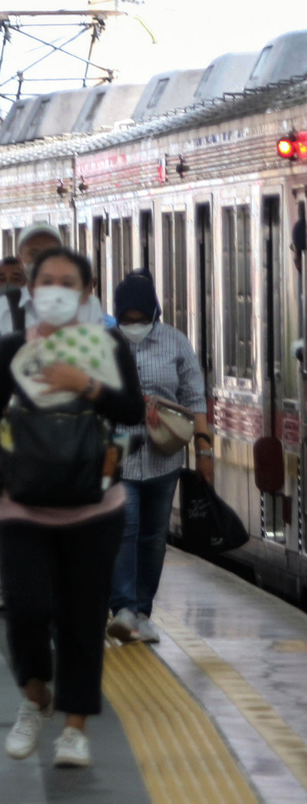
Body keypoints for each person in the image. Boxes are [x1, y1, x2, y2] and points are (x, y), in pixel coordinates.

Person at [0, 247, 144, 767]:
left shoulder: (106, 345)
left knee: (82, 618)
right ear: (31, 291)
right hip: (21, 506)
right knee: (27, 609)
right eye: (47, 281)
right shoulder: (11, 350)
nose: (56, 290)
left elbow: (132, 410)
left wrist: (83, 383)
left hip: (93, 507)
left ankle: (75, 730)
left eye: (69, 282)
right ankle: (35, 694)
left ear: (86, 293)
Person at [107, 271, 213, 643]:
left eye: (141, 318)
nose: (134, 325)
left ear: (155, 312)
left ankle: (143, 611)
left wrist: (204, 450)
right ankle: (122, 608)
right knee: (126, 529)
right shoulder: (105, 344)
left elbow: (195, 397)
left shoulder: (175, 343)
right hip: (118, 456)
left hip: (164, 457)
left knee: (153, 537)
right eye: (127, 318)